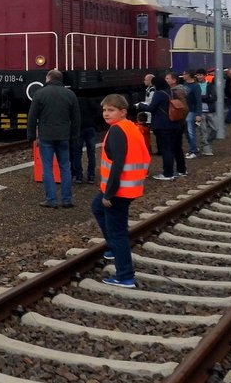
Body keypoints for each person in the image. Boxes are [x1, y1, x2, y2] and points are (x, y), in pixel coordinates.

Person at [92, 93, 150, 289]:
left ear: (123, 111)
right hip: (126, 187)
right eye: (104, 110)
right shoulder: (129, 127)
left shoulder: (117, 131)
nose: (106, 114)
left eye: (111, 110)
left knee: (118, 232)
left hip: (118, 190)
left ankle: (125, 276)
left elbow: (118, 165)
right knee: (97, 207)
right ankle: (113, 248)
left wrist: (109, 194)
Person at [26, 68, 80, 209]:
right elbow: (76, 118)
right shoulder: (70, 94)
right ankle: (67, 200)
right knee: (65, 167)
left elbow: (32, 117)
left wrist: (31, 135)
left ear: (49, 78)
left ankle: (51, 199)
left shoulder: (40, 94)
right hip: (64, 136)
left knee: (48, 167)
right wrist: (74, 136)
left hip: (46, 136)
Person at [137, 75, 180, 181]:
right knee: (171, 148)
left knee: (166, 149)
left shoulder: (159, 93)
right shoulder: (170, 91)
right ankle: (173, 171)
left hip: (163, 124)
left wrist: (140, 105)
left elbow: (151, 108)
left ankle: (167, 173)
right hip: (174, 122)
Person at [71, 95, 101, 185]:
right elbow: (96, 109)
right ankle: (91, 176)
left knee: (77, 153)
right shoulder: (87, 100)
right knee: (91, 153)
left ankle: (79, 176)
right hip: (90, 127)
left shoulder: (73, 103)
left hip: (79, 129)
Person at [195, 69, 217, 155]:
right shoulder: (195, 86)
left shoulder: (210, 85)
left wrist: (201, 98)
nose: (199, 77)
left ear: (205, 75)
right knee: (202, 130)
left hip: (210, 110)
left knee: (215, 129)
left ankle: (206, 142)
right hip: (200, 112)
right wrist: (206, 97)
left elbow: (214, 98)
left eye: (200, 75)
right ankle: (206, 148)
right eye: (198, 75)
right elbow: (194, 98)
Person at [182, 70, 202, 157]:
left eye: (184, 74)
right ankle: (193, 148)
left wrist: (198, 114)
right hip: (186, 111)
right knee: (187, 131)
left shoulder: (196, 86)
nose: (183, 75)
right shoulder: (185, 84)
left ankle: (193, 150)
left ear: (189, 75)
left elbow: (198, 100)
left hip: (192, 111)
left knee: (191, 131)